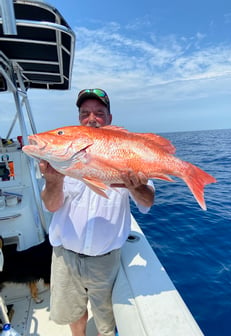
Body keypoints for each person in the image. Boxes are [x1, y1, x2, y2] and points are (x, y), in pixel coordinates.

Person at [40, 88, 155, 336]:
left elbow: (147, 202)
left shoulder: (127, 150)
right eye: (85, 113)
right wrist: (52, 181)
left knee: (106, 319)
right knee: (74, 313)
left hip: (105, 260)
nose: (92, 118)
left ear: (110, 118)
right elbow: (51, 206)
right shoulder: (66, 155)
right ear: (79, 118)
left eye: (99, 113)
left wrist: (137, 186)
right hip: (65, 256)